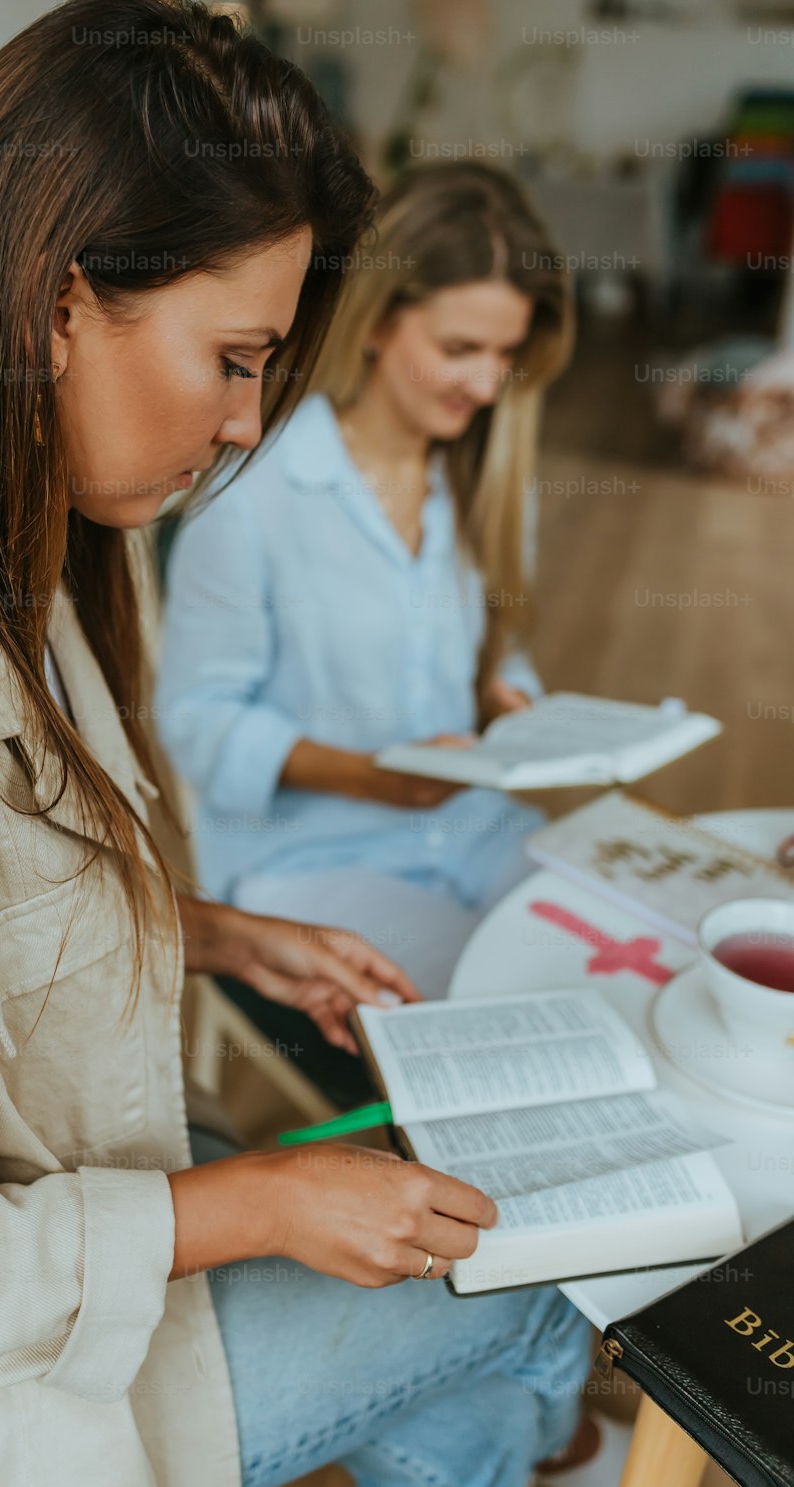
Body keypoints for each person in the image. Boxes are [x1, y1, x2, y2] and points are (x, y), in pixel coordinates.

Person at [0, 6, 591, 1487]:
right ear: (57, 301)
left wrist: (201, 934)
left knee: (467, 1340)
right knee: (531, 1278)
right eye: (232, 360)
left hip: (107, 1224)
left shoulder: (11, 560)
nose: (243, 426)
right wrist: (255, 1205)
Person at [155, 161, 574, 1094]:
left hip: (479, 830)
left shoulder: (485, 487)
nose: (488, 385)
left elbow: (504, 660)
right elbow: (197, 717)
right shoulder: (253, 495)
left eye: (506, 355)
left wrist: (516, 710)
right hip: (310, 856)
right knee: (513, 1048)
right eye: (462, 347)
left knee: (633, 975)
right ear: (382, 320)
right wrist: (371, 779)